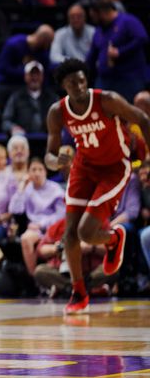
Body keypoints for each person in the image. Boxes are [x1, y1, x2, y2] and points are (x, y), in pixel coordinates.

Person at [45, 58, 150, 314]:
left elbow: (143, 118)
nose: (79, 86)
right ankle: (78, 291)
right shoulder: (57, 112)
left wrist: (147, 158)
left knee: (85, 232)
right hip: (84, 167)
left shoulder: (107, 99)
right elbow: (48, 156)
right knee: (69, 233)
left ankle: (114, 238)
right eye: (72, 83)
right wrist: (56, 161)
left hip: (115, 168)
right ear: (63, 86)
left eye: (82, 80)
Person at [9, 158, 66, 275]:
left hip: (54, 229)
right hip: (35, 231)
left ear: (45, 172)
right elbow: (14, 210)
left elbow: (61, 215)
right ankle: (35, 279)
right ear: (28, 173)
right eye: (33, 170)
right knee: (26, 238)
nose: (37, 173)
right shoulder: (27, 189)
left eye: (40, 169)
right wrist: (21, 187)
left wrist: (41, 224)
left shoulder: (55, 189)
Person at [86, 1, 148, 101]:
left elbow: (141, 38)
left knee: (129, 113)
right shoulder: (99, 29)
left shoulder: (128, 21)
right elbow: (92, 55)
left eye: (94, 17)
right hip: (104, 79)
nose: (93, 20)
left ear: (102, 13)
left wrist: (120, 51)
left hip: (128, 78)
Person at [0, 25, 54, 110]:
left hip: (24, 88)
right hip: (3, 83)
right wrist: (25, 73)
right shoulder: (14, 43)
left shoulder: (43, 53)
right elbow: (2, 68)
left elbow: (45, 75)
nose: (49, 46)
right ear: (43, 40)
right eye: (49, 43)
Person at [2, 61, 58, 134]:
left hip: (48, 136)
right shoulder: (16, 97)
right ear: (25, 76)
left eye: (37, 74)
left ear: (42, 76)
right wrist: (13, 127)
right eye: (31, 74)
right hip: (22, 139)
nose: (34, 77)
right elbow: (6, 121)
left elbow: (61, 119)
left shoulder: (52, 98)